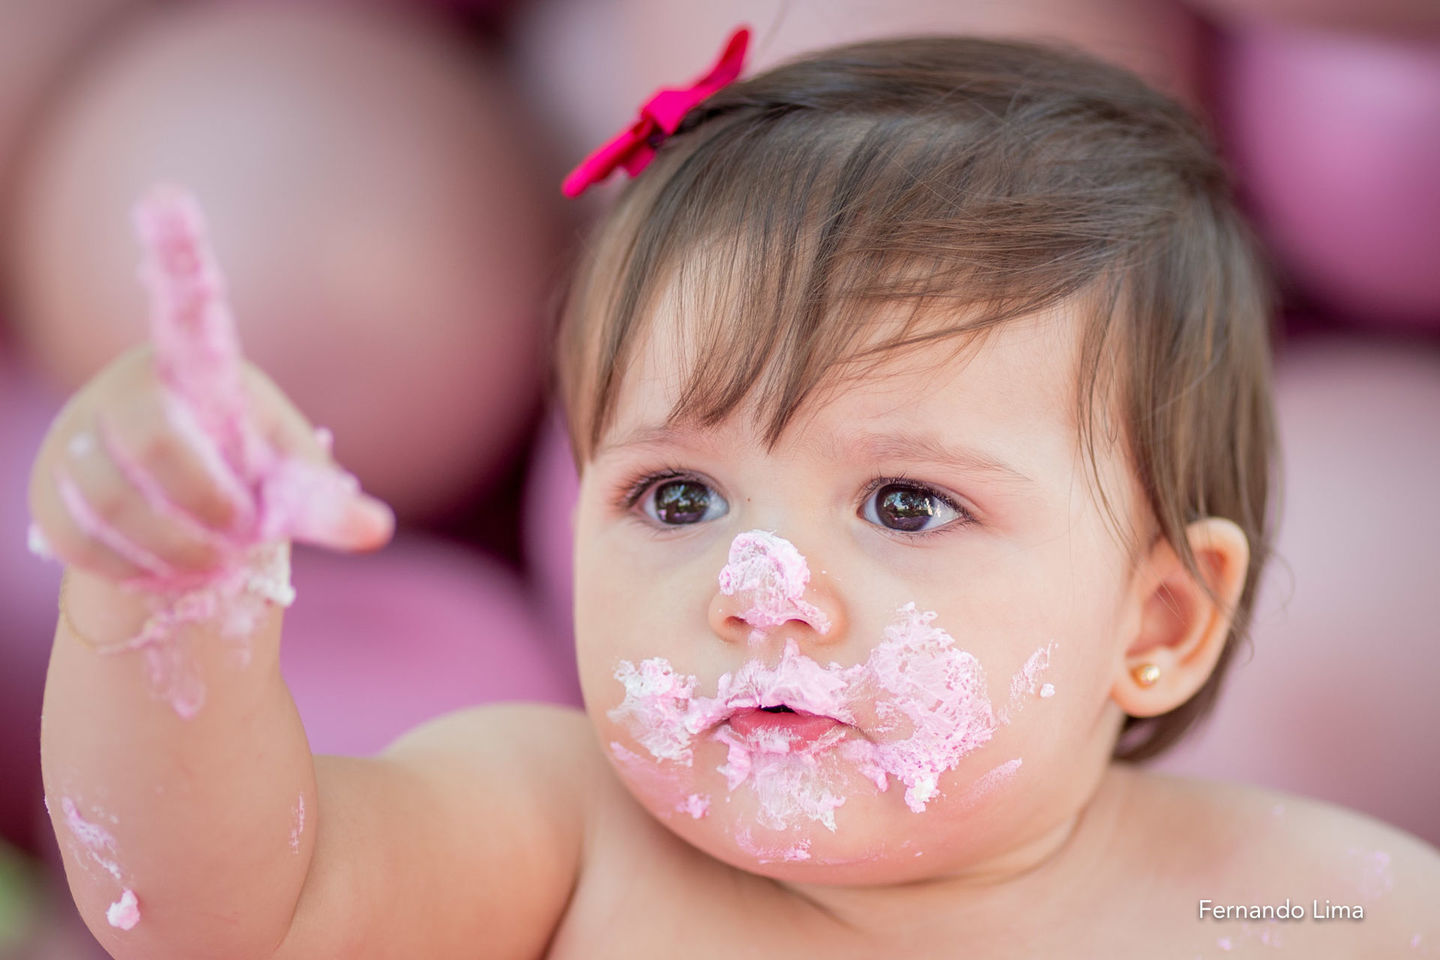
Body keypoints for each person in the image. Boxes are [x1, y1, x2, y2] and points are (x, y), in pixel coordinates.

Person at [28, 28, 1438, 960]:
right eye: (680, 497)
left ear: (1162, 622)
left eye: (903, 504)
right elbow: (219, 911)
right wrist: (163, 594)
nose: (757, 584)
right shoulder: (557, 830)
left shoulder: (1297, 907)